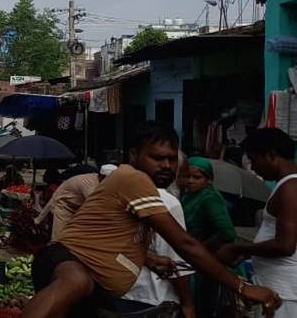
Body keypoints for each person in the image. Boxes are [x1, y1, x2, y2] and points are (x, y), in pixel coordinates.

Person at [24, 121, 280, 318]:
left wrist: (148, 259)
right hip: (68, 265)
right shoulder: (135, 179)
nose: (166, 165)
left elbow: (108, 236)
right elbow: (186, 245)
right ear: (134, 155)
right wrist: (242, 287)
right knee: (74, 281)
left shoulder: (140, 189)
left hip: (95, 287)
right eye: (157, 158)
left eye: (171, 159)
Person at [218, 128, 297, 317]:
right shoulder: (288, 185)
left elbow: (285, 245)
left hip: (284, 293)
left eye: (254, 160)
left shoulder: (290, 188)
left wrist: (239, 249)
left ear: (271, 154)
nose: (253, 168)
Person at [117, 181, 195, 317]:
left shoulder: (115, 195)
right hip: (155, 296)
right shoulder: (167, 203)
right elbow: (176, 263)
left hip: (119, 290)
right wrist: (188, 304)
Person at [181, 156, 238, 318]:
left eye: (197, 177)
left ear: (209, 179)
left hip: (206, 262)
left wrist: (201, 249)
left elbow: (227, 232)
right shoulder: (190, 195)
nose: (191, 181)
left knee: (205, 307)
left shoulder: (209, 198)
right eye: (187, 176)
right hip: (194, 261)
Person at [35, 164, 117, 240]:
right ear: (102, 177)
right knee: (59, 240)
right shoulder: (88, 183)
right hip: (64, 208)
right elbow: (96, 206)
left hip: (78, 210)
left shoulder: (105, 184)